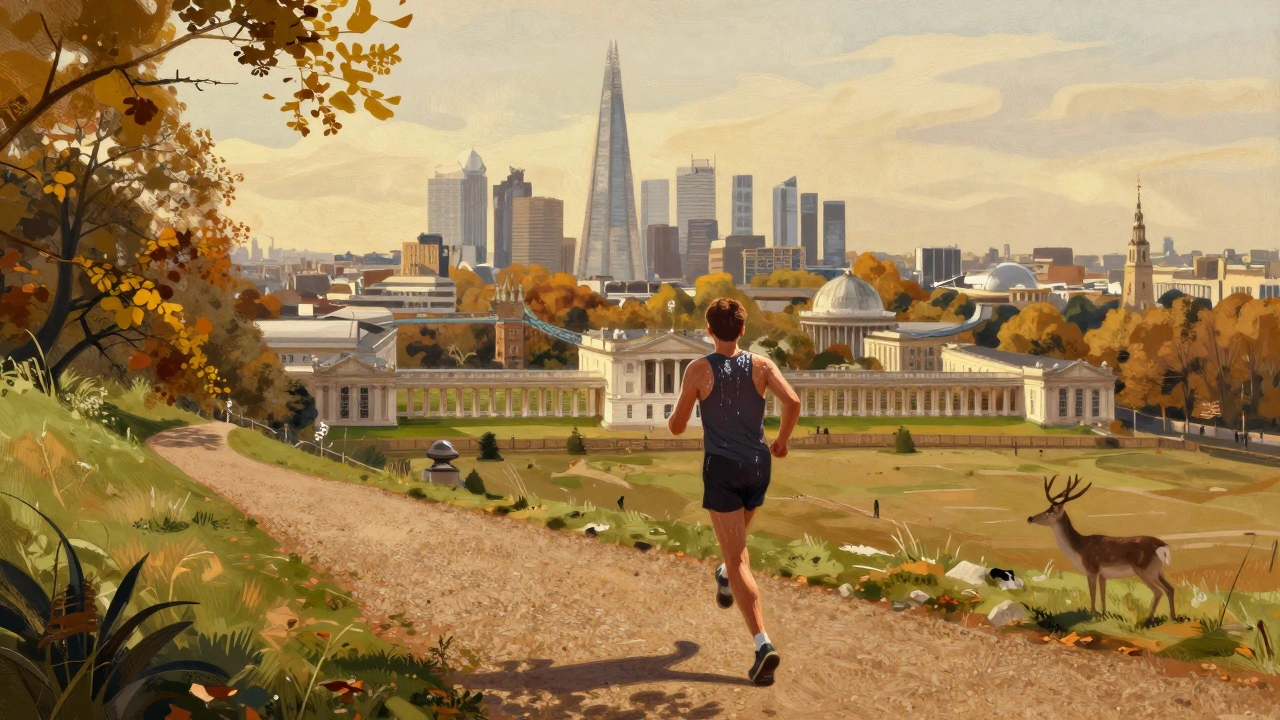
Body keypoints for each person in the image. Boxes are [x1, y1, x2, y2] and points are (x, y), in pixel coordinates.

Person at [668, 297, 801, 686]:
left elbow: (677, 427)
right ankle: (725, 575)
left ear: (710, 331)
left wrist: (685, 411)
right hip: (759, 466)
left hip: (723, 469)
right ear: (742, 330)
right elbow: (792, 401)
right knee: (735, 549)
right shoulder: (761, 365)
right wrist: (782, 441)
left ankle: (763, 646)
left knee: (740, 556)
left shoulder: (698, 370)